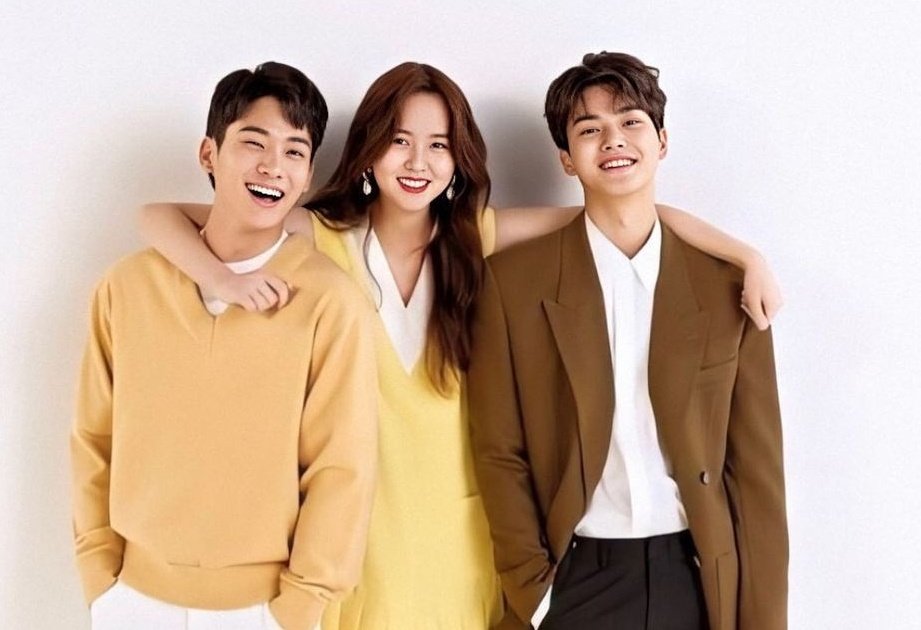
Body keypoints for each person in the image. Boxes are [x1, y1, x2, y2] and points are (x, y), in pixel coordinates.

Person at [137, 61, 783, 629]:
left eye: (439, 145)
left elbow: (615, 210)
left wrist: (745, 255)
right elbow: (157, 217)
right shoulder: (321, 238)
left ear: (457, 161)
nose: (418, 163)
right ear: (368, 151)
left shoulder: (475, 239)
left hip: (457, 546)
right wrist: (220, 279)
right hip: (353, 542)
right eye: (399, 141)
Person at [467, 51, 788, 630]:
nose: (613, 139)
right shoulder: (512, 285)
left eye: (631, 122)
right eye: (589, 129)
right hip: (572, 577)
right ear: (567, 159)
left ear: (661, 141)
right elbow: (499, 450)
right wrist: (533, 590)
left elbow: (757, 474)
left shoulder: (728, 288)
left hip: (696, 576)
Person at [71, 62, 378, 630]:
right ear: (208, 154)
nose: (273, 166)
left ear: (308, 176)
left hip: (263, 610)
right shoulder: (126, 286)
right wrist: (100, 578)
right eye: (253, 142)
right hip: (132, 599)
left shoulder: (331, 303)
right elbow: (93, 438)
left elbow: (342, 469)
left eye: (294, 151)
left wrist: (299, 607)